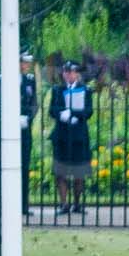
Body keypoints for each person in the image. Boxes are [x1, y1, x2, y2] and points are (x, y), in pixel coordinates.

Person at [0, 51, 40, 217]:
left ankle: (23, 205)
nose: (27, 65)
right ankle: (4, 205)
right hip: (7, 129)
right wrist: (10, 118)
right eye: (24, 62)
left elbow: (34, 103)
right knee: (5, 165)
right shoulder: (1, 79)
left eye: (28, 62)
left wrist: (28, 118)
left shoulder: (30, 80)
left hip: (24, 128)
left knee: (24, 165)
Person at [47, 59, 93, 217]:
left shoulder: (85, 90)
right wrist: (62, 114)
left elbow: (88, 111)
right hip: (62, 135)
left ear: (77, 73)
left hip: (78, 135)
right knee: (61, 171)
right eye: (66, 72)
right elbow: (52, 110)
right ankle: (63, 204)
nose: (69, 75)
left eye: (72, 72)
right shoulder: (57, 90)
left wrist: (74, 114)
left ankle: (77, 204)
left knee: (79, 171)